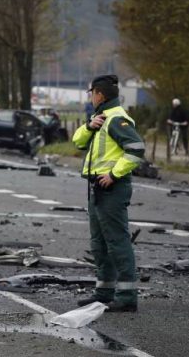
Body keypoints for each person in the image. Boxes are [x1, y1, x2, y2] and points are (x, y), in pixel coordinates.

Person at [72, 74, 145, 312]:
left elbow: (136, 149)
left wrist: (114, 175)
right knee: (99, 243)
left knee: (117, 241)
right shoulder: (100, 118)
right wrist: (87, 126)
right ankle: (104, 292)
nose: (90, 97)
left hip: (111, 187)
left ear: (99, 94)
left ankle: (126, 296)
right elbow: (77, 142)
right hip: (97, 187)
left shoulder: (116, 119)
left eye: (91, 93)